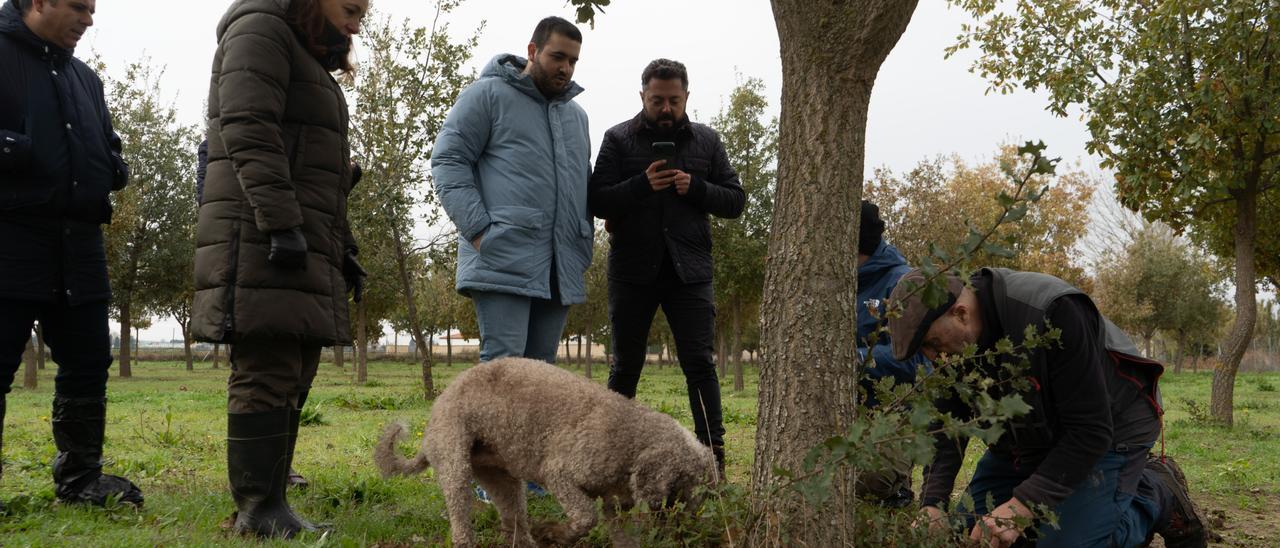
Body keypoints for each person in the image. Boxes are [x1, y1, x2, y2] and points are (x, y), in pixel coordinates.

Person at [193, 0, 369, 538]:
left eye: (365, 11)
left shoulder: (304, 53)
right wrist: (280, 222)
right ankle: (257, 508)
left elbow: (317, 169)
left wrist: (344, 248)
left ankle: (273, 501)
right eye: (349, 6)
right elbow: (248, 126)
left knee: (295, 368)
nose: (358, 19)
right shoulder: (260, 29)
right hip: (261, 235)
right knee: (268, 364)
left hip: (300, 234)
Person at [888, 267, 1208, 547]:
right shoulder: (955, 346)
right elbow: (948, 428)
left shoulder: (1053, 310)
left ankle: (1155, 493)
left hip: (1112, 430)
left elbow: (1090, 431)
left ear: (960, 313)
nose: (932, 357)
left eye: (932, 343)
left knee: (1065, 543)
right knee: (964, 534)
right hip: (1030, 439)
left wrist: (1021, 506)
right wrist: (933, 504)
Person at [0, 0, 143, 508]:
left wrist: (111, 164)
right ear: (38, 1)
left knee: (86, 361)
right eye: (79, 6)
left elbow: (106, 142)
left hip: (80, 242)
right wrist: (18, 149)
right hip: (11, 235)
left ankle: (81, 480)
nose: (89, 18)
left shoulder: (86, 78)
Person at [588, 58, 746, 478]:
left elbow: (735, 200)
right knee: (626, 365)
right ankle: (610, 459)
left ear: (686, 98)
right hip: (631, 271)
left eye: (673, 101)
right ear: (642, 96)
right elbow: (597, 200)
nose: (665, 109)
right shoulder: (618, 139)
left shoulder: (707, 142)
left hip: (690, 272)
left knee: (700, 364)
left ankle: (713, 461)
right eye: (657, 100)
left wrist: (696, 188)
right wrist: (641, 184)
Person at [430, 16, 593, 365]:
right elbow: (448, 160)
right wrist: (478, 231)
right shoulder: (486, 95)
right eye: (557, 57)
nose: (565, 68)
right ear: (532, 51)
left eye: (573, 61)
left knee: (540, 379)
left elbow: (583, 185)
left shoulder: (577, 116)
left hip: (559, 266)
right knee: (503, 375)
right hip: (501, 256)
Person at [854, 199, 929, 506]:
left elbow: (920, 361)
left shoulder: (903, 283)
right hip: (846, 410)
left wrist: (860, 359)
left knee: (870, 480)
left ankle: (895, 495)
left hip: (893, 409)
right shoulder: (831, 280)